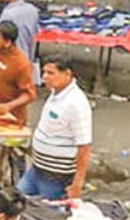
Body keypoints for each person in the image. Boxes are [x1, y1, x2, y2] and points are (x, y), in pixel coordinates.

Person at [19, 56, 92, 200]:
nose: (45, 77)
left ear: (67, 74)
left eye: (50, 73)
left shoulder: (76, 104)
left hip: (57, 177)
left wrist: (77, 183)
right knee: (18, 199)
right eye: (44, 72)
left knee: (48, 213)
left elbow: (84, 147)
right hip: (37, 169)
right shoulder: (56, 93)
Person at [0, 21, 36, 127]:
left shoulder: (22, 64)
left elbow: (29, 95)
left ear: (7, 43)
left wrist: (8, 106)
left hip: (10, 118)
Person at [0, 0, 38, 71]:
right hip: (27, 60)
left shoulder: (7, 14)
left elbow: (3, 42)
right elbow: (35, 38)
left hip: (13, 62)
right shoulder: (32, 10)